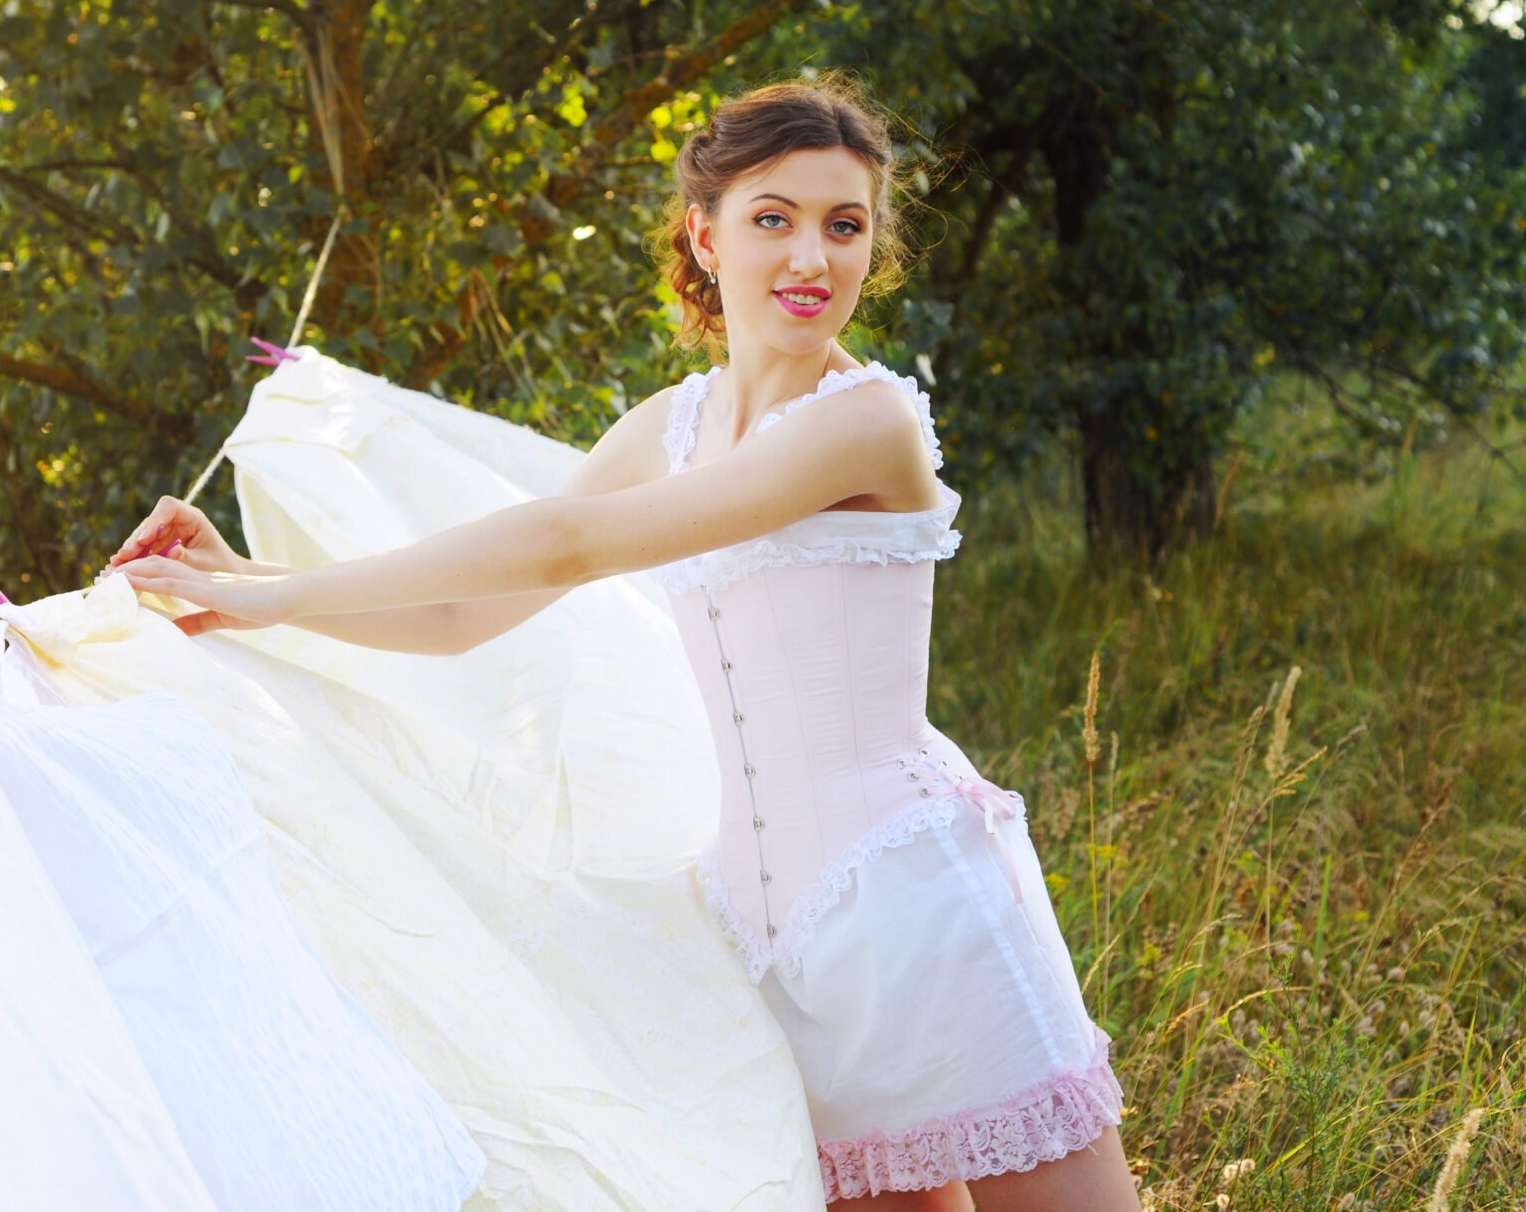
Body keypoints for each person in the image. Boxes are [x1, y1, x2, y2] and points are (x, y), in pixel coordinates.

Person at [107, 74, 1140, 1212]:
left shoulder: (868, 420)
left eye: (845, 226)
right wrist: (250, 578)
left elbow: (563, 543)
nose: (811, 257)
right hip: (766, 941)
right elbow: (459, 619)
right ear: (705, 236)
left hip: (914, 906)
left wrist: (278, 598)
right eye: (773, 219)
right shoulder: (673, 427)